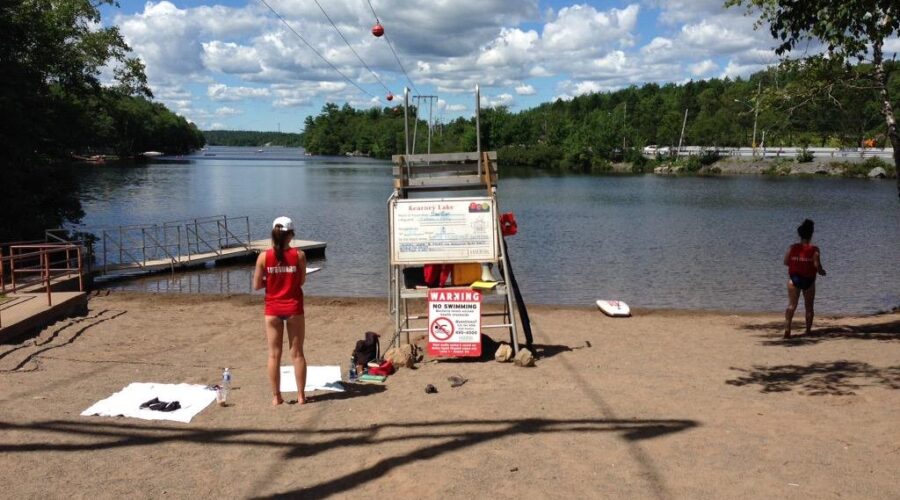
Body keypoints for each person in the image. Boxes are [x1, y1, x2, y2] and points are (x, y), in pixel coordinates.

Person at [253, 216, 308, 405]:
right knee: (297, 353)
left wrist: (272, 279)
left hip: (273, 308)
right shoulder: (299, 255)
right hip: (293, 307)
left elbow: (256, 285)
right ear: (290, 235)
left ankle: (276, 397)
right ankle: (301, 396)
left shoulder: (263, 256)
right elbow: (301, 281)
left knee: (274, 354)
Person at [783, 219, 826, 338]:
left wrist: (797, 263)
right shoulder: (815, 249)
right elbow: (817, 265)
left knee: (791, 305)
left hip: (794, 280)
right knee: (809, 307)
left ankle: (787, 330)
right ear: (811, 234)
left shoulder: (792, 248)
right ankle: (808, 331)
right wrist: (822, 271)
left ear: (800, 234)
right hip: (809, 281)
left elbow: (786, 262)